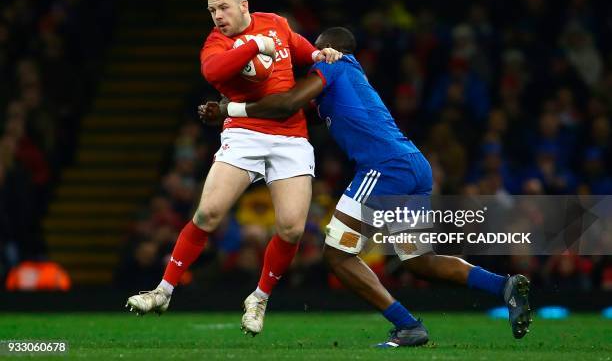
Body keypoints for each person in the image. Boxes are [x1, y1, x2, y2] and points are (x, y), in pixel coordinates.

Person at [200, 27, 532, 347]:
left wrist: (230, 109)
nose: (314, 56)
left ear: (332, 48)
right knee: (419, 261)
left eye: (318, 49)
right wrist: (244, 105)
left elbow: (288, 104)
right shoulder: (349, 78)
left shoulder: (334, 65)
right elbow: (293, 111)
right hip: (412, 165)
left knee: (339, 255)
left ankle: (408, 326)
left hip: (383, 168)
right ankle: (505, 286)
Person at [125, 0, 342, 336]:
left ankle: (259, 298)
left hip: (291, 138)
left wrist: (323, 54)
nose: (218, 16)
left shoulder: (276, 23)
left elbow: (305, 52)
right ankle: (163, 290)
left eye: (223, 7)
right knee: (207, 212)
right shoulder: (216, 43)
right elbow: (213, 72)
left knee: (290, 228)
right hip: (244, 135)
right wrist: (254, 45)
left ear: (244, 5)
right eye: (212, 11)